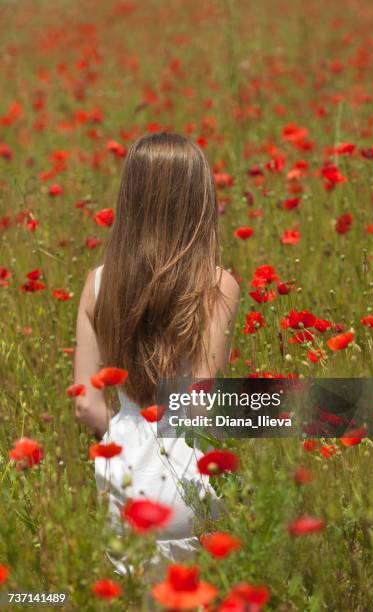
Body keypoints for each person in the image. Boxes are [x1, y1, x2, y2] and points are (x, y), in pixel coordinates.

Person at [73, 131, 240, 580]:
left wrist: (126, 435)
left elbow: (86, 404)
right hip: (189, 481)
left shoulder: (96, 284)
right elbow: (201, 404)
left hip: (123, 486)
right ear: (198, 199)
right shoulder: (216, 284)